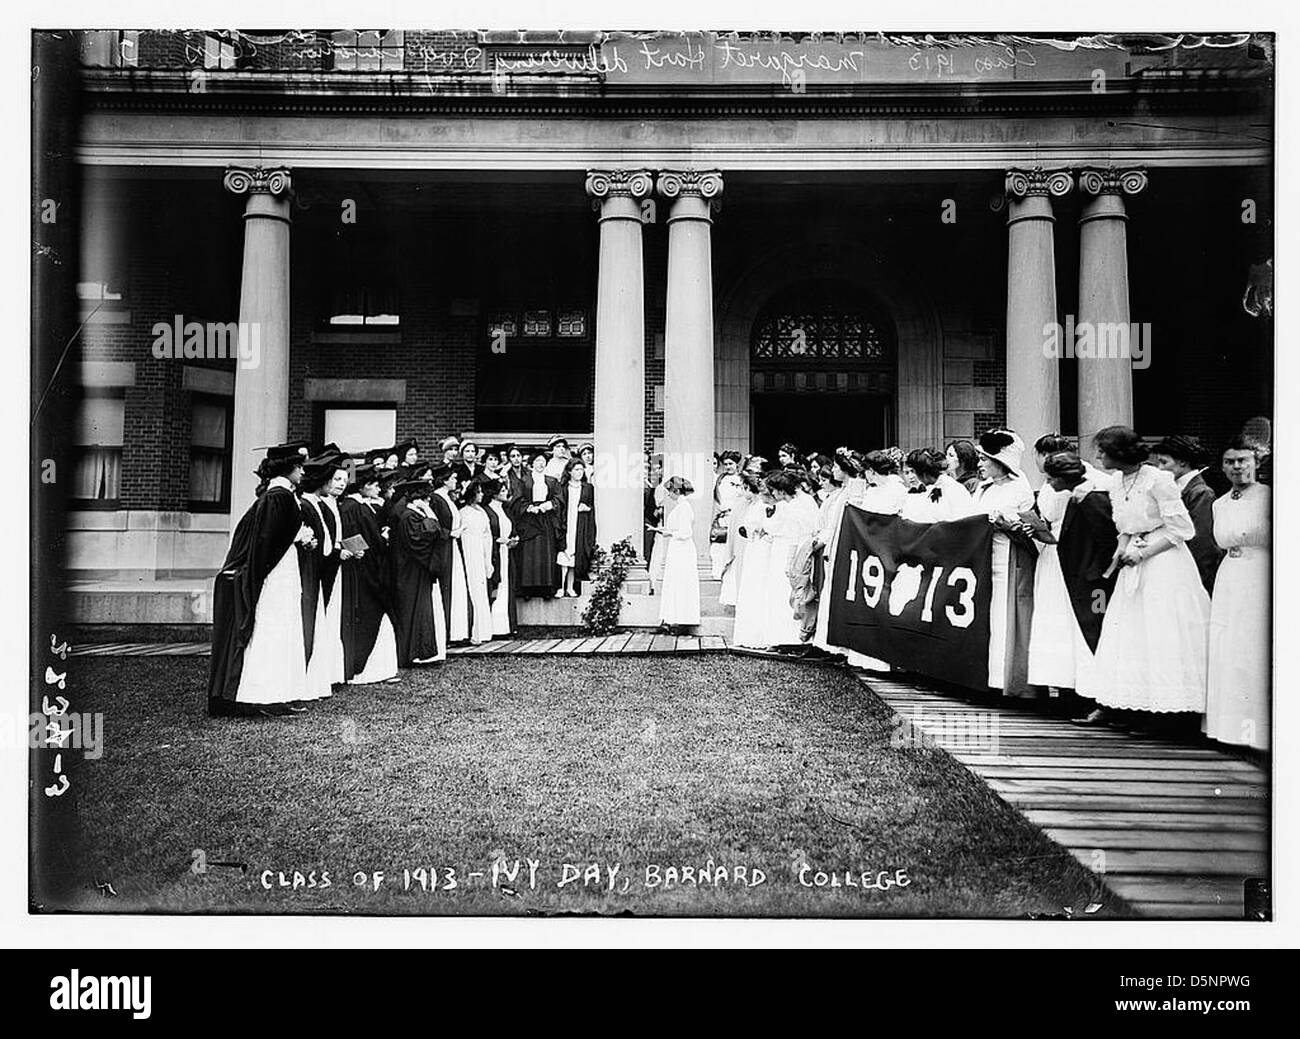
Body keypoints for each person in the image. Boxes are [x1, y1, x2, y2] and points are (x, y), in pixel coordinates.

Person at [1075, 426, 1210, 723]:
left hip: (1164, 564)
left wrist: (1143, 553)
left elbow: (1182, 530)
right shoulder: (1116, 481)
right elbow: (1125, 524)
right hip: (1134, 563)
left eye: (1102, 451)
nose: (1097, 456)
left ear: (1119, 453)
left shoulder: (1158, 480)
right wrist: (1121, 548)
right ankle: (1131, 707)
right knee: (1132, 635)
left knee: (1160, 634)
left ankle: (1167, 715)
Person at [208, 443, 319, 717]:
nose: (303, 472)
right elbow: (266, 540)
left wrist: (299, 540)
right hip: (275, 575)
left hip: (285, 569)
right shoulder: (276, 496)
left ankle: (279, 693)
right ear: (288, 468)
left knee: (285, 628)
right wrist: (297, 538)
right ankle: (263, 695)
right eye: (299, 467)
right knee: (272, 628)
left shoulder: (284, 495)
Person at [1023, 452, 1114, 704]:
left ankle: (1094, 697)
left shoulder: (1092, 498)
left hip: (1092, 578)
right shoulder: (1075, 496)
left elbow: (1106, 540)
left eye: (1052, 479)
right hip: (1075, 571)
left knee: (1091, 633)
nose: (1049, 484)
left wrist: (1099, 573)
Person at [1205, 437, 1271, 752]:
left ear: (1256, 463)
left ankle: (1257, 733)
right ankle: (1228, 730)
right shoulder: (1220, 503)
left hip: (1260, 571)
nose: (1237, 467)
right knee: (1227, 646)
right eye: (1230, 462)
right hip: (1229, 575)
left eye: (1243, 460)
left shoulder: (1270, 497)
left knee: (1252, 646)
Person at [973, 429, 1037, 699]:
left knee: (1005, 617)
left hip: (1010, 558)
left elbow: (1027, 525)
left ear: (1000, 463)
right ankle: (986, 679)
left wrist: (1006, 524)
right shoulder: (982, 488)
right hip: (983, 560)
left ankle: (1009, 682)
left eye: (985, 460)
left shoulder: (1019, 487)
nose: (980, 465)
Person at [337, 464, 399, 684]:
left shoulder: (360, 506)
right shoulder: (352, 507)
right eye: (372, 485)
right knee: (367, 616)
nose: (377, 489)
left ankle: (374, 668)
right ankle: (361, 669)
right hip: (363, 570)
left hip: (369, 566)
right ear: (362, 487)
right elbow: (353, 536)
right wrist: (380, 539)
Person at [299, 451, 351, 699]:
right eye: (334, 479)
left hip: (328, 568)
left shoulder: (324, 505)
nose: (338, 484)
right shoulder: (308, 505)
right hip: (317, 572)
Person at [387, 478, 448, 666]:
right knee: (412, 609)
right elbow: (429, 534)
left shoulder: (413, 515)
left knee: (418, 609)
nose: (429, 502)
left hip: (415, 569)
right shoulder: (410, 516)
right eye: (426, 499)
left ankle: (418, 652)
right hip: (411, 570)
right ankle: (410, 654)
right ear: (418, 499)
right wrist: (429, 512)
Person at [1151, 434, 1222, 594]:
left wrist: (1195, 582)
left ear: (1182, 462)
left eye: (1164, 462)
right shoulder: (1176, 489)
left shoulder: (1200, 493)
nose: (1160, 469)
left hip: (1193, 576)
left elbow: (1202, 543)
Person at [760, 470, 819, 648]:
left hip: (793, 549)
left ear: (781, 490)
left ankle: (787, 636)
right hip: (800, 547)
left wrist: (789, 562)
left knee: (786, 592)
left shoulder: (793, 506)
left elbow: (794, 536)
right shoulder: (804, 500)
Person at [429, 464, 471, 643]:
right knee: (448, 585)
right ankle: (446, 632)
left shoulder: (448, 497)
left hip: (452, 546)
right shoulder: (437, 498)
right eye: (453, 478)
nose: (455, 481)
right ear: (445, 480)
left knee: (456, 586)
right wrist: (449, 533)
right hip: (444, 547)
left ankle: (456, 631)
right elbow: (434, 524)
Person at [654, 476, 701, 632]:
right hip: (677, 548)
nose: (668, 495)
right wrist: (665, 532)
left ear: (676, 491)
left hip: (682, 549)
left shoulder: (684, 507)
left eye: (670, 492)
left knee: (680, 581)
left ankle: (681, 620)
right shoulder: (680, 507)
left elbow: (685, 532)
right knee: (674, 582)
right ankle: (671, 619)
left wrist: (669, 533)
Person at [517, 452, 561, 597]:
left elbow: (559, 499)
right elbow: (518, 499)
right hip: (530, 519)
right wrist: (529, 507)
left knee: (546, 551)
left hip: (546, 518)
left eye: (543, 461)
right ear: (531, 463)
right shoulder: (524, 480)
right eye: (537, 461)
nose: (540, 463)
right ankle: (528, 588)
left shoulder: (552, 481)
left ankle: (546, 587)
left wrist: (549, 505)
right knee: (530, 552)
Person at [459, 478, 495, 645]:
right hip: (470, 552)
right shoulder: (464, 513)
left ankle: (484, 630)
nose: (481, 495)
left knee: (481, 589)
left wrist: (488, 560)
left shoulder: (481, 511)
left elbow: (487, 534)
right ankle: (475, 632)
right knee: (474, 589)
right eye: (478, 492)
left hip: (482, 552)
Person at [900, 448, 978, 522]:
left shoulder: (952, 489)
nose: (911, 476)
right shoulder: (932, 488)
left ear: (923, 473)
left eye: (914, 471)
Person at [555, 458, 596, 597]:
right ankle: (560, 586)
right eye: (576, 469)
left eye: (581, 469)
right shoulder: (563, 488)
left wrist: (587, 508)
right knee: (563, 554)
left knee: (574, 555)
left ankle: (570, 587)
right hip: (566, 522)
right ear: (570, 471)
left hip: (579, 524)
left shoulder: (588, 488)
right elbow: (559, 506)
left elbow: (592, 506)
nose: (580, 472)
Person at [485, 477, 519, 636]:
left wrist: (514, 539)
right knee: (497, 587)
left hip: (507, 552)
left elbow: (511, 529)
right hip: (496, 553)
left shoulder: (506, 510)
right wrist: (497, 540)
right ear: (494, 493)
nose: (505, 493)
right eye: (502, 490)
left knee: (507, 586)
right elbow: (487, 534)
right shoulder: (487, 510)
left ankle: (507, 626)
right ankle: (494, 627)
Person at [711, 451, 744, 578]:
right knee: (719, 545)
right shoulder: (720, 479)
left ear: (737, 464)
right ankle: (717, 572)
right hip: (722, 517)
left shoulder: (741, 480)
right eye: (725, 464)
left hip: (736, 516)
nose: (728, 467)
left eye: (731, 464)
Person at [858, 450, 907, 515]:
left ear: (871, 471)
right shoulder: (871, 491)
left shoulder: (898, 489)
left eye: (865, 471)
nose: (865, 475)